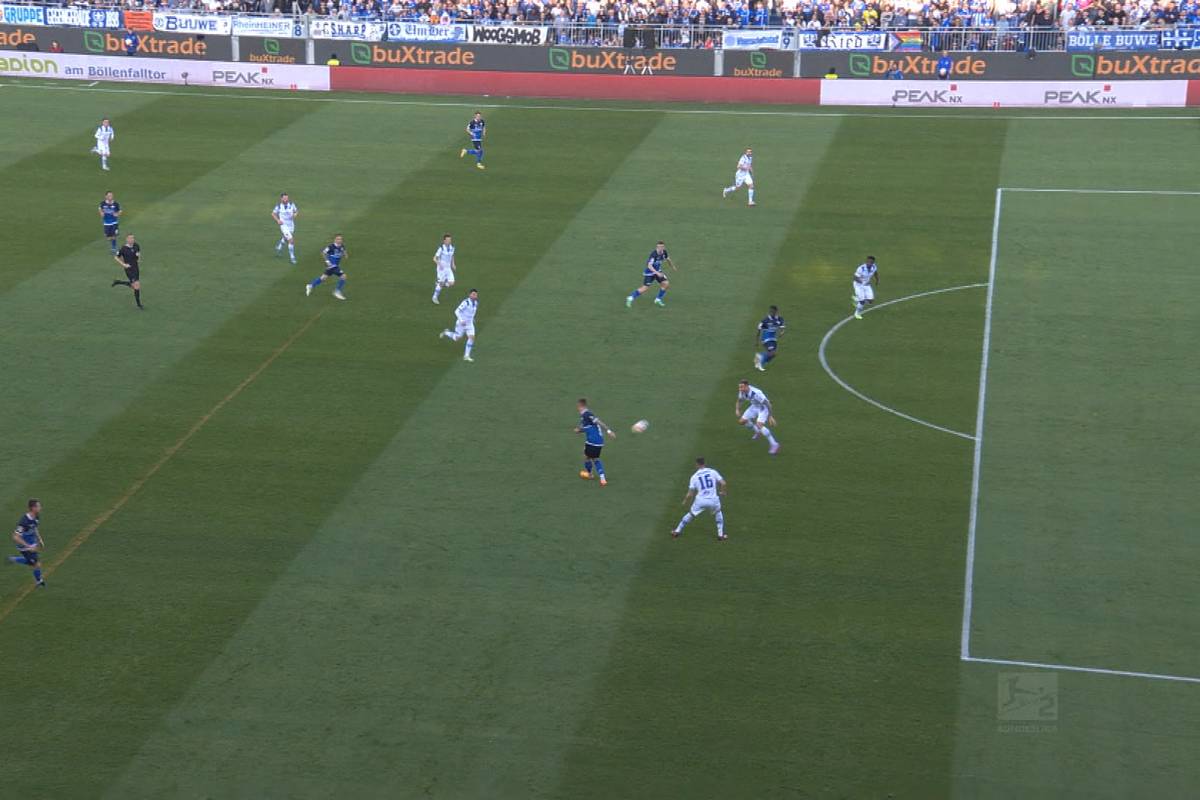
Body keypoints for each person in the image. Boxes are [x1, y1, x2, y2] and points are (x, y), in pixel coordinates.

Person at [671, 458, 727, 541]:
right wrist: (722, 492)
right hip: (713, 500)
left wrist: (685, 501)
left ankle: (677, 531)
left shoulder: (694, 476)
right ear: (704, 463)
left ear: (697, 464)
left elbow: (690, 494)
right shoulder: (712, 471)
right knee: (718, 513)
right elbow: (723, 483)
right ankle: (720, 535)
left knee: (691, 514)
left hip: (700, 501)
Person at [574, 398, 615, 486]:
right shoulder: (585, 417)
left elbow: (598, 423)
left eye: (578, 406)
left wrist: (609, 431)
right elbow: (588, 427)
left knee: (586, 457)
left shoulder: (587, 414)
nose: (577, 408)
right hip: (599, 441)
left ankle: (590, 474)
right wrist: (579, 430)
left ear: (581, 406)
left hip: (592, 441)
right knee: (594, 458)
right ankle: (602, 478)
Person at [626, 241, 677, 308]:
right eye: (659, 247)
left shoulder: (664, 252)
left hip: (657, 271)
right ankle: (630, 298)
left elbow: (668, 259)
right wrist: (657, 273)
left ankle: (658, 299)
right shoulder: (653, 255)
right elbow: (649, 266)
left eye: (662, 247)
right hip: (649, 273)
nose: (660, 248)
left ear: (664, 247)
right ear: (657, 247)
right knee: (645, 288)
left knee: (666, 283)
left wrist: (672, 266)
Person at [7, 499, 46, 588]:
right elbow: (15, 536)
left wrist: (40, 539)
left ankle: (13, 559)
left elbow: (34, 527)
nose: (40, 508)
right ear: (33, 508)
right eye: (38, 506)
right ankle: (39, 581)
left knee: (31, 562)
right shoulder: (24, 522)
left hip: (32, 543)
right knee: (36, 564)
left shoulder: (36, 516)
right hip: (24, 546)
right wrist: (28, 546)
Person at [735, 380, 780, 455]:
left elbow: (767, 403)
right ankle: (757, 431)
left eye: (742, 387)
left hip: (763, 407)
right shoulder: (742, 392)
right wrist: (737, 409)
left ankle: (774, 444)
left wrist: (770, 416)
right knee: (742, 421)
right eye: (739, 387)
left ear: (747, 386)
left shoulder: (756, 393)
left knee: (759, 424)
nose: (740, 389)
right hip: (754, 406)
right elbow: (739, 400)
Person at [440, 289, 478, 362]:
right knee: (457, 338)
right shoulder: (465, 302)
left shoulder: (476, 303)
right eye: (473, 294)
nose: (475, 295)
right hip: (461, 324)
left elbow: (472, 312)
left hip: (470, 324)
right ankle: (446, 332)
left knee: (472, 337)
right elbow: (456, 311)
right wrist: (461, 320)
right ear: (470, 295)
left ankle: (466, 356)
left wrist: (473, 318)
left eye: (476, 294)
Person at [306, 235, 348, 300]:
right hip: (332, 266)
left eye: (340, 239)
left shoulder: (342, 246)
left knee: (323, 278)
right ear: (335, 240)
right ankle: (337, 291)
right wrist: (327, 261)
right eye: (338, 239)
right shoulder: (330, 247)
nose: (339, 240)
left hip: (335, 265)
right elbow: (323, 253)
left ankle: (310, 286)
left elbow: (344, 252)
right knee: (343, 276)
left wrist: (345, 254)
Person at [112, 233, 144, 310]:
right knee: (137, 286)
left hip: (136, 268)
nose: (132, 240)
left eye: (133, 238)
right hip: (129, 269)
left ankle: (118, 282)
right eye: (130, 238)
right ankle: (139, 304)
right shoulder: (123, 248)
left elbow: (138, 253)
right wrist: (123, 264)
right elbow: (116, 257)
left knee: (134, 286)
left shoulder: (136, 245)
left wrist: (138, 258)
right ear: (127, 239)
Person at [754, 305, 785, 372]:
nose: (772, 312)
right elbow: (759, 330)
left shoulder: (779, 319)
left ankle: (759, 358)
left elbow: (782, 328)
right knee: (772, 353)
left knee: (773, 355)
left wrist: (782, 332)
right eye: (771, 311)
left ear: (776, 311)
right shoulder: (765, 320)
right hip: (766, 338)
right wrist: (757, 341)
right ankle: (760, 363)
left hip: (773, 339)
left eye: (773, 311)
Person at [272, 192, 298, 264]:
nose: (286, 199)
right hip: (283, 225)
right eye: (284, 198)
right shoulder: (279, 206)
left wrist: (294, 215)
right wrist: (278, 220)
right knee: (291, 240)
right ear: (281, 199)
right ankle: (292, 257)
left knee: (287, 237)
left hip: (291, 225)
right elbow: (273, 214)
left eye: (287, 198)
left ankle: (280, 246)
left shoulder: (292, 204)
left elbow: (296, 211)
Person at [432, 233, 455, 304]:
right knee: (440, 284)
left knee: (452, 283)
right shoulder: (441, 248)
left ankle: (439, 283)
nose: (449, 241)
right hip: (441, 268)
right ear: (444, 241)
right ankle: (434, 297)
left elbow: (452, 256)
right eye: (448, 240)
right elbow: (434, 258)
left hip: (448, 268)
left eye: (450, 240)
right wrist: (439, 264)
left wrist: (453, 264)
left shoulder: (452, 247)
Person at [852, 255, 879, 319]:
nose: (869, 263)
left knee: (871, 301)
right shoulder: (861, 268)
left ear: (873, 262)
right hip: (858, 285)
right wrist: (861, 282)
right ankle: (857, 313)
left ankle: (856, 299)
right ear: (866, 261)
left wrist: (877, 280)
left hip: (867, 285)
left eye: (871, 262)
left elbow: (875, 272)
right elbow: (855, 277)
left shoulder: (874, 267)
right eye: (868, 262)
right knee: (862, 301)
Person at [98, 191, 122, 255]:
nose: (110, 197)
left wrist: (117, 214)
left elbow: (120, 211)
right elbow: (100, 208)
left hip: (114, 222)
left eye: (111, 195)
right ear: (106, 196)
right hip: (106, 223)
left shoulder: (116, 204)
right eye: (109, 195)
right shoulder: (103, 203)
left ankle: (113, 248)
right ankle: (113, 243)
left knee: (114, 236)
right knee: (108, 237)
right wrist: (101, 213)